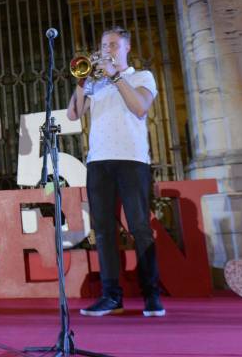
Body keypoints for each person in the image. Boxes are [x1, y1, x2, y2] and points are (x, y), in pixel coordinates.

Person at [66, 26, 165, 317]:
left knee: (139, 227)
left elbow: (139, 107)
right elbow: (73, 114)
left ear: (126, 48)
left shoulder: (141, 77)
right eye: (103, 45)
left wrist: (116, 76)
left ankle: (152, 296)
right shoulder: (96, 84)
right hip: (99, 162)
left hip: (132, 160)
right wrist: (82, 82)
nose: (106, 49)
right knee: (104, 231)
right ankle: (111, 296)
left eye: (112, 44)